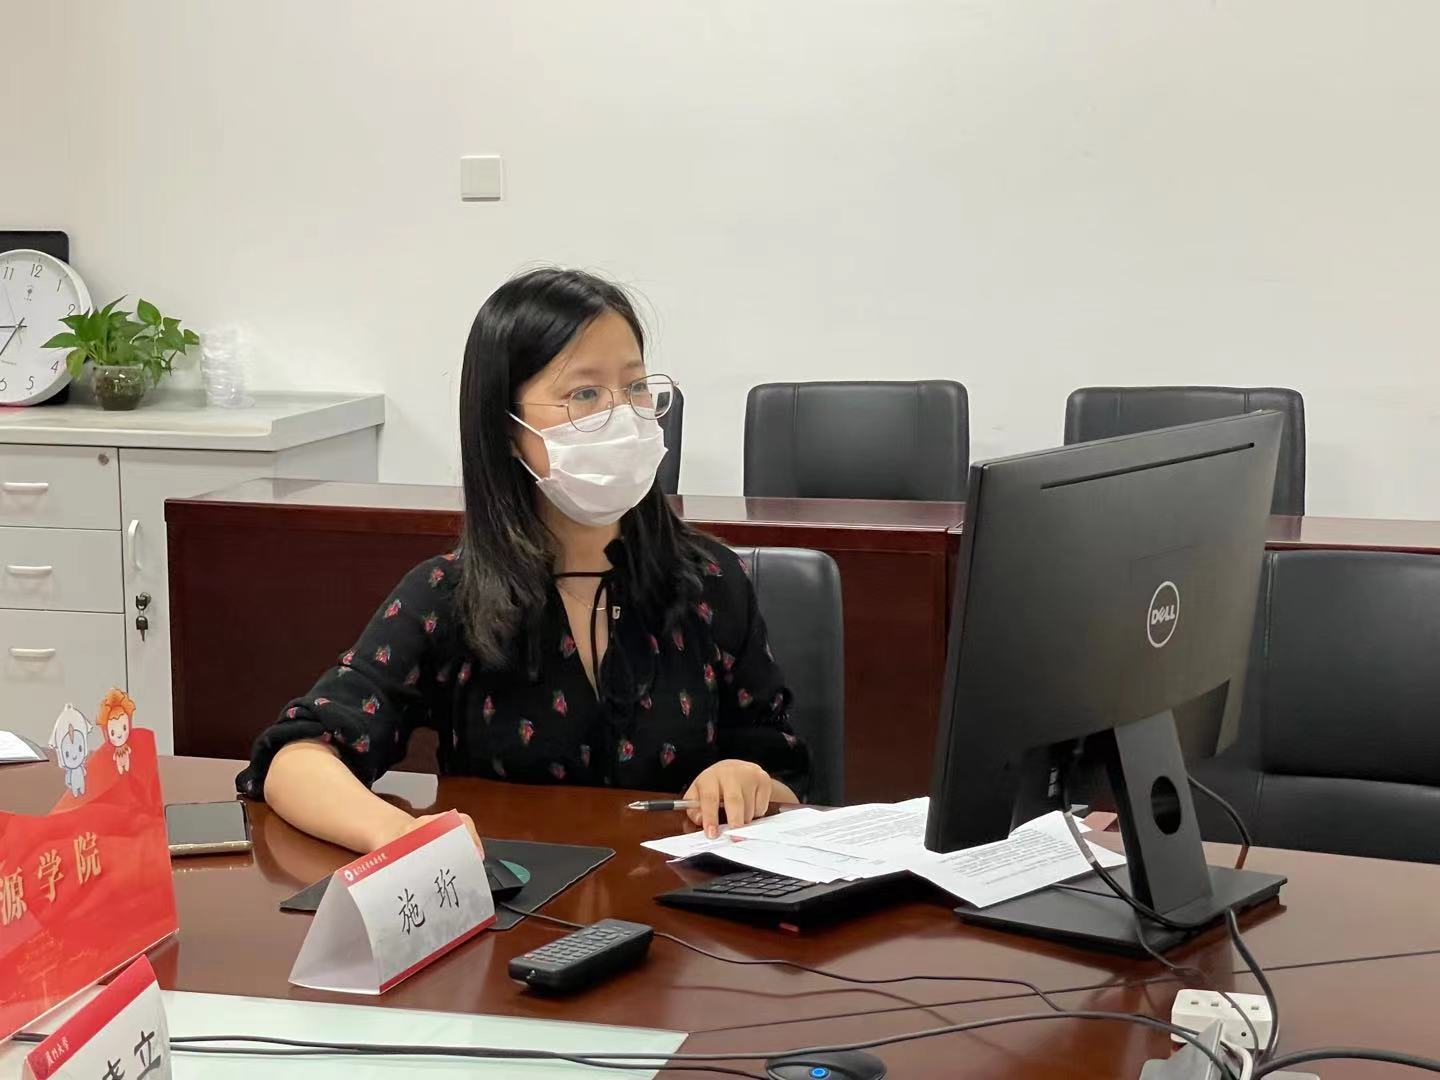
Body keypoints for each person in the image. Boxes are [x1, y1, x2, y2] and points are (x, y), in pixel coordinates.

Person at [238, 268, 809, 854]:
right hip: (519, 900)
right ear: (507, 429)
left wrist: (751, 780)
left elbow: (788, 773)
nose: (623, 415)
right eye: (584, 394)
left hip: (680, 903)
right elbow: (297, 758)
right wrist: (400, 835)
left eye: (636, 386)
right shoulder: (449, 595)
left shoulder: (710, 579)